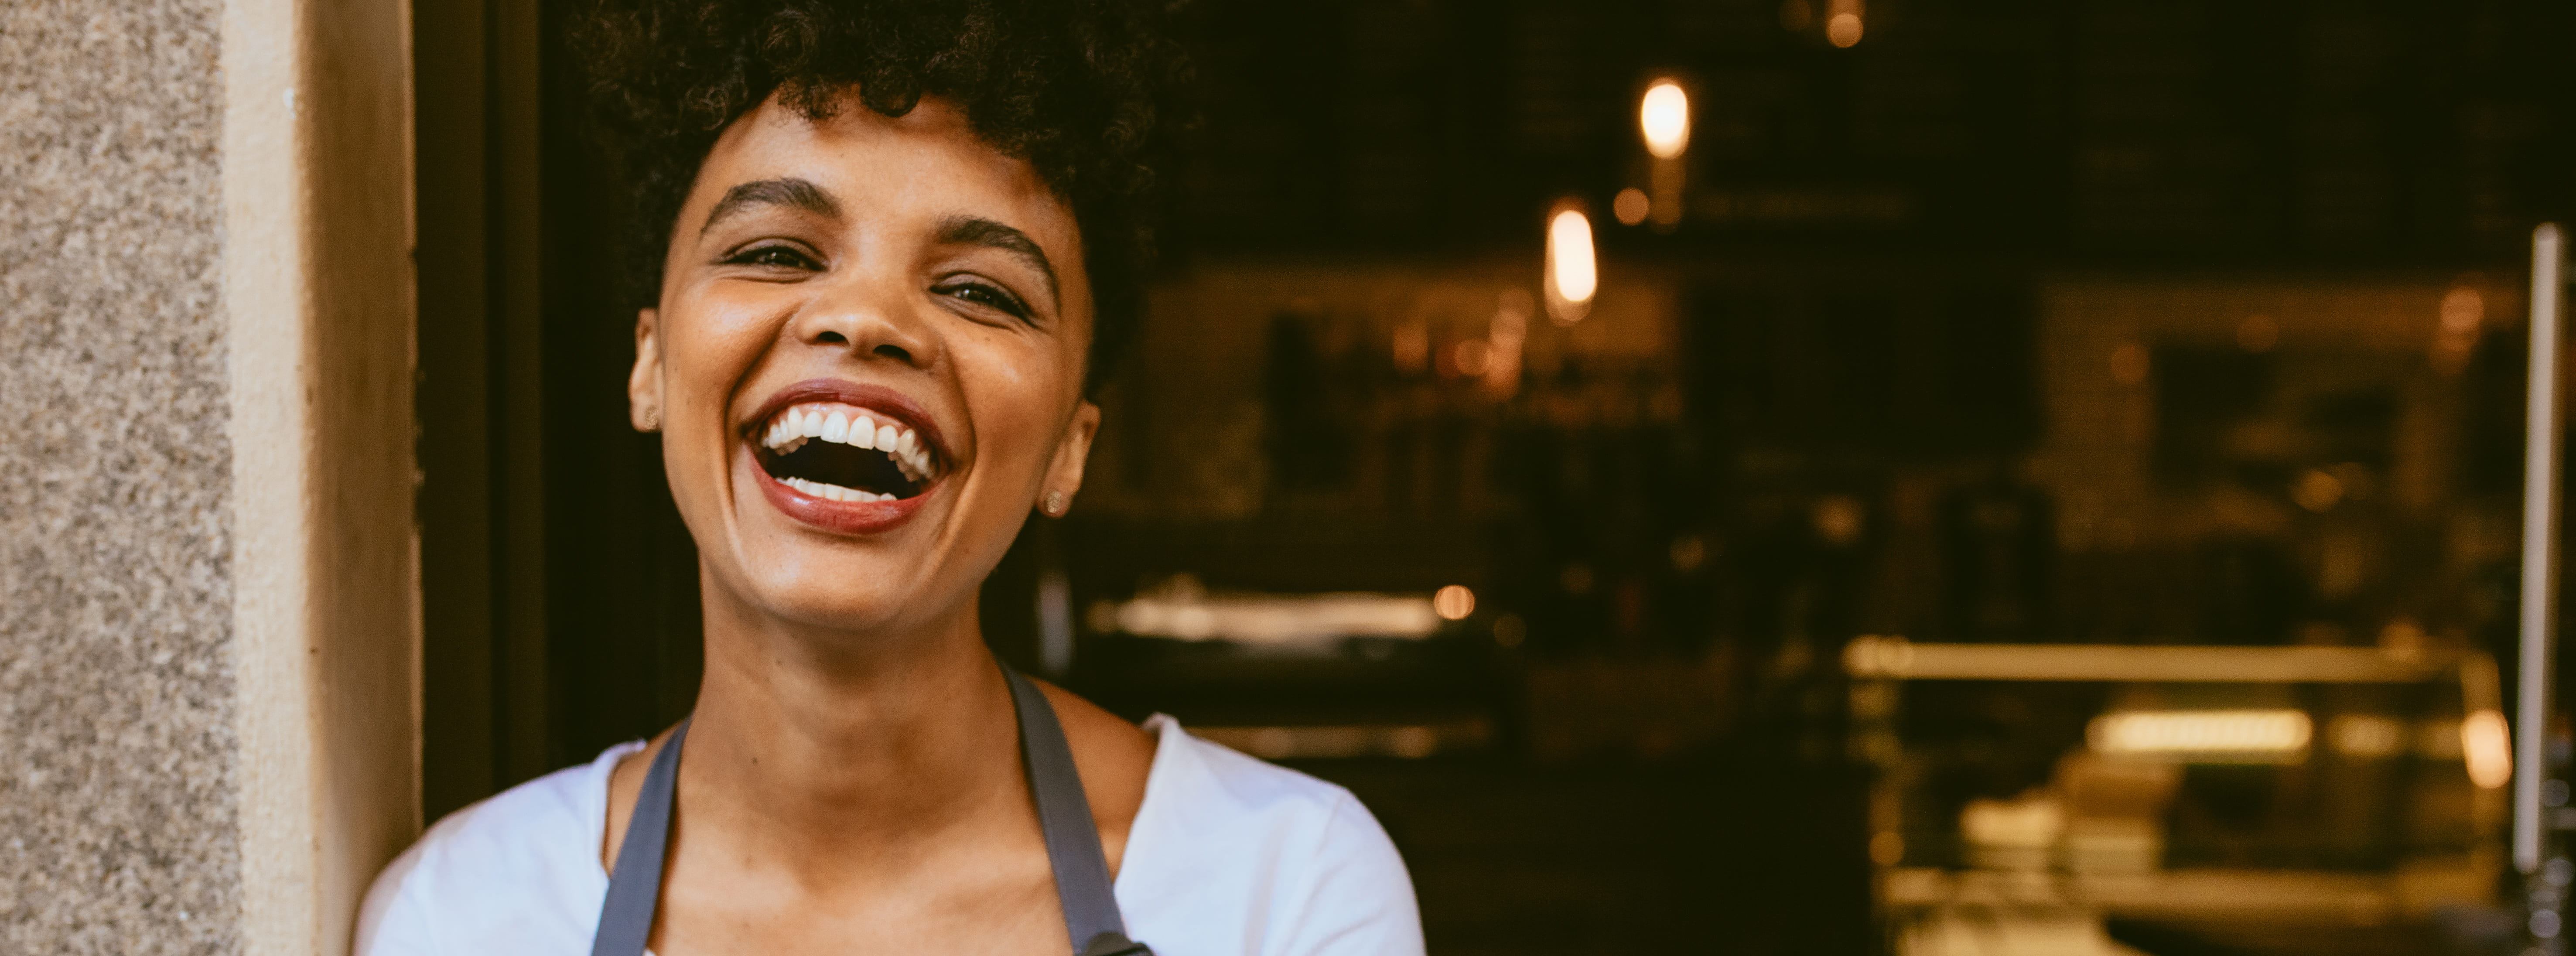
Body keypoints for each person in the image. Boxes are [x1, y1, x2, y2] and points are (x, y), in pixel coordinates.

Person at [356, 1, 1424, 953]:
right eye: (775, 252)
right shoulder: (459, 915)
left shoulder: (1285, 891)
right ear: (648, 362)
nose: (865, 320)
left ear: (1069, 447)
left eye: (980, 290)